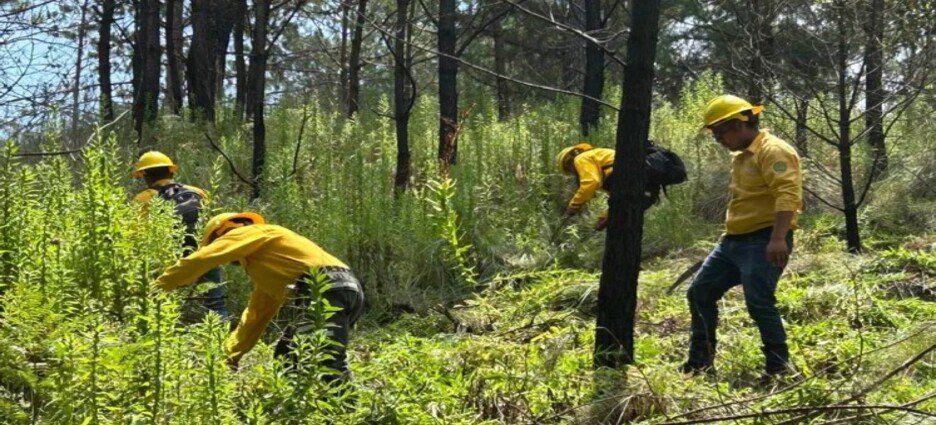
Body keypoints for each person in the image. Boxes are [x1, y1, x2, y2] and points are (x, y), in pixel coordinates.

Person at [154, 212, 365, 381]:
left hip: (323, 290)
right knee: (288, 356)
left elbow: (202, 259)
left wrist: (158, 287)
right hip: (345, 289)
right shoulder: (270, 259)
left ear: (222, 233)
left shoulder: (245, 232)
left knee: (324, 362)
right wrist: (232, 353)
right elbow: (257, 314)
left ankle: (346, 411)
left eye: (217, 243)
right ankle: (299, 411)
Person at [681, 95, 802, 383]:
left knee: (759, 301)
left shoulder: (774, 151)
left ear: (737, 125)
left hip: (764, 239)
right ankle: (700, 364)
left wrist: (778, 239)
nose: (718, 140)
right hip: (733, 241)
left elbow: (787, 195)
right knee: (700, 293)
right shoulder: (741, 155)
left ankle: (779, 369)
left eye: (719, 133)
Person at [132, 151, 230, 321]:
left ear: (145, 175)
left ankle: (169, 329)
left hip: (168, 257)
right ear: (171, 171)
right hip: (203, 251)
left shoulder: (144, 198)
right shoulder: (198, 192)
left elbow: (137, 234)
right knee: (215, 302)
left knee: (161, 302)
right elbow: (212, 222)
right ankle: (222, 328)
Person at [555, 142, 615, 230]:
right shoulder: (596, 160)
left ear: (568, 162)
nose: (573, 173)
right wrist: (606, 216)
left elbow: (590, 183)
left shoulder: (580, 158)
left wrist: (574, 205)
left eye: (570, 170)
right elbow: (617, 197)